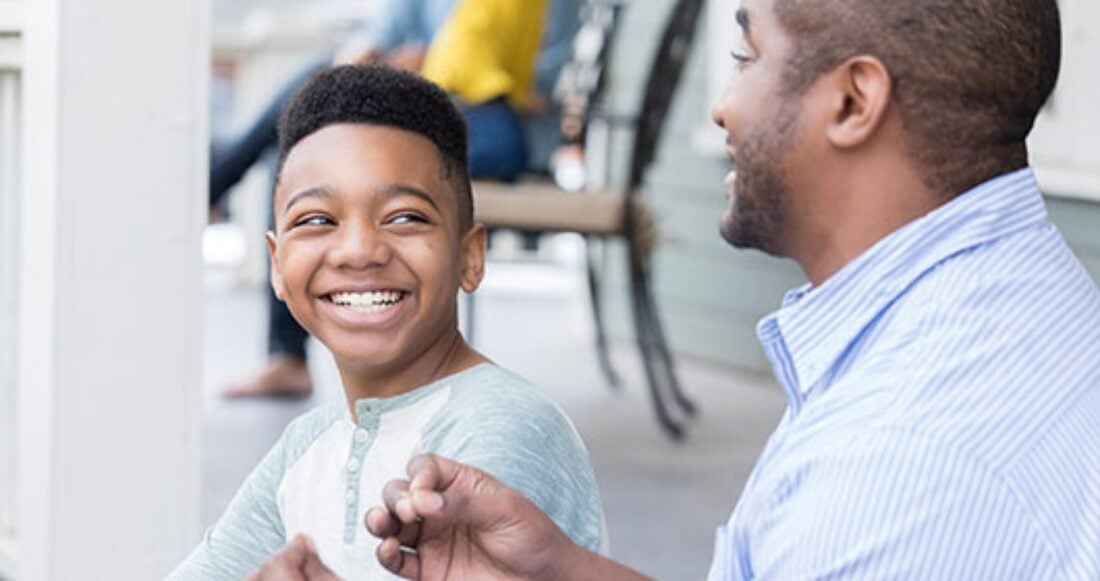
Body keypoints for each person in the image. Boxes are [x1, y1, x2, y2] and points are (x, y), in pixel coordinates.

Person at [345, 0, 1098, 578]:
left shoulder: (898, 465)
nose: (721, 105)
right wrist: (563, 566)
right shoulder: (1020, 296)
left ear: (851, 103)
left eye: (748, 55)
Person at [171, 64, 605, 579]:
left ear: (470, 257)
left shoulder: (504, 426)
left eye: (404, 217)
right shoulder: (308, 445)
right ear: (277, 266)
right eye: (317, 221)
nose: (358, 251)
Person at [218, 0, 584, 398]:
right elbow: (383, 30)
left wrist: (435, 72)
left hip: (499, 126)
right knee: (304, 146)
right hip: (419, 110)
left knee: (306, 150)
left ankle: (213, 189)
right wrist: (374, 57)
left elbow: (541, 85)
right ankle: (286, 358)